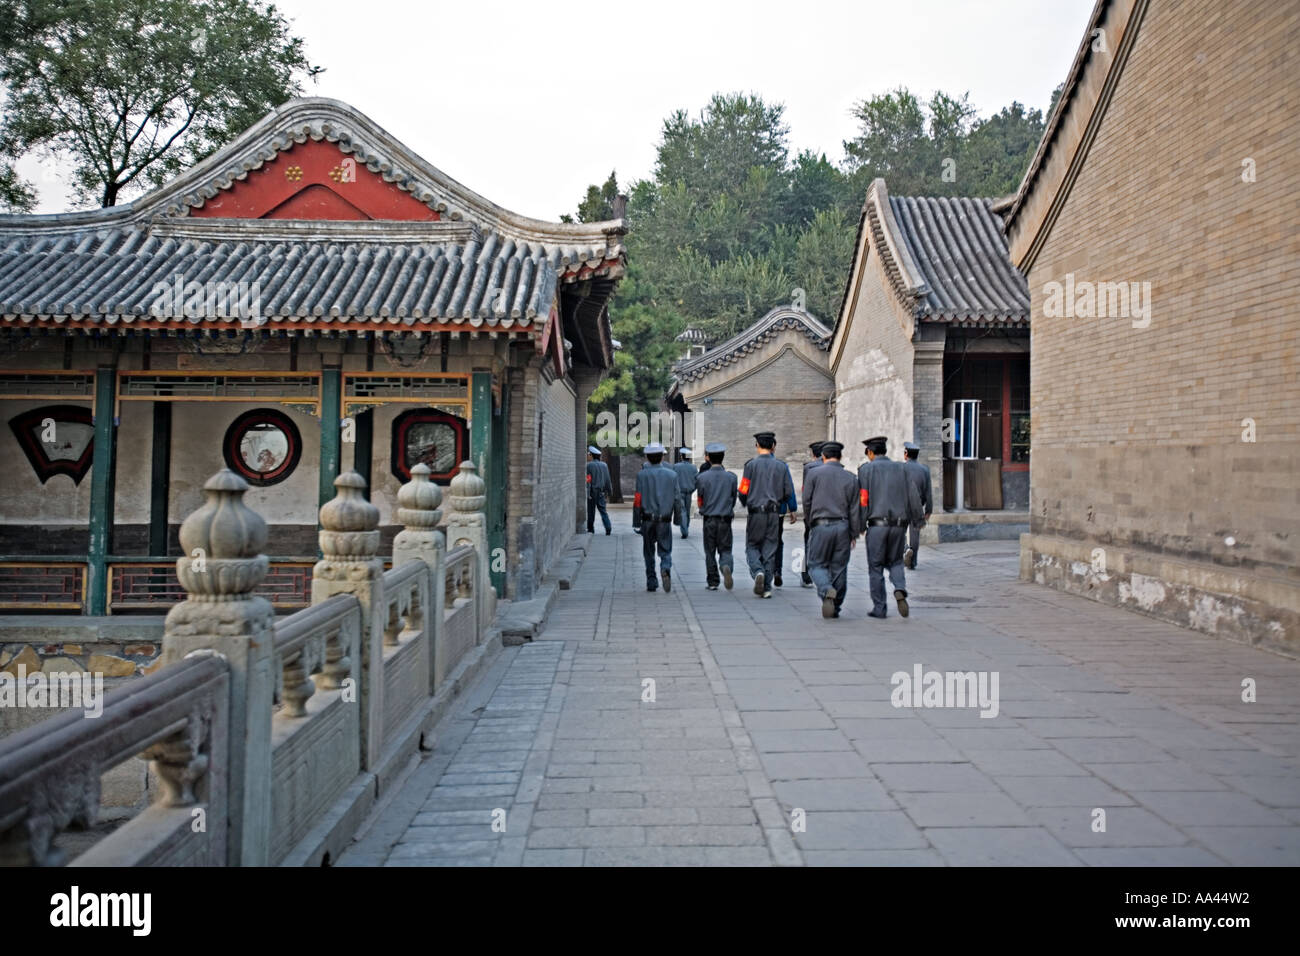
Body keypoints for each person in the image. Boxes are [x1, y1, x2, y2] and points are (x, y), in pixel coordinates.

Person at [857, 436, 924, 618]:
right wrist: (918, 521)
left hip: (877, 525)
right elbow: (913, 496)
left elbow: (863, 500)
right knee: (895, 562)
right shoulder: (902, 469)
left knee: (876, 566)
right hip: (899, 526)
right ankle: (900, 588)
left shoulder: (865, 470)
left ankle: (880, 607)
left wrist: (860, 524)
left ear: (870, 453)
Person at [802, 441, 863, 618]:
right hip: (843, 527)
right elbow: (854, 509)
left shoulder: (813, 474)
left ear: (823, 456)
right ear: (840, 456)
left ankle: (826, 588)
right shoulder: (851, 478)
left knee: (815, 564)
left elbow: (807, 501)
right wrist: (853, 533)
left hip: (820, 525)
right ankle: (835, 606)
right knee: (839, 567)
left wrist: (810, 522)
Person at [740, 431, 795, 598]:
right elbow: (788, 492)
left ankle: (758, 571)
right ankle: (766, 587)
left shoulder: (750, 466)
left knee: (752, 545)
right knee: (770, 548)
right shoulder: (781, 466)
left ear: (757, 446)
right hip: (773, 513)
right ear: (773, 446)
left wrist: (746, 502)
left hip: (756, 513)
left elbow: (743, 490)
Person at [633, 442, 681, 592]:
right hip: (664, 520)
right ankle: (665, 568)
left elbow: (637, 499)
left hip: (647, 519)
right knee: (665, 550)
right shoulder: (672, 475)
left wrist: (636, 520)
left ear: (647, 457)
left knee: (648, 552)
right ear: (662, 457)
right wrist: (677, 519)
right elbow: (677, 499)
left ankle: (651, 581)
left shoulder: (641, 475)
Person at [694, 442, 738, 590]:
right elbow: (733, 498)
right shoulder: (731, 478)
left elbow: (700, 499)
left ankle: (713, 581)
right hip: (725, 519)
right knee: (725, 549)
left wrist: (703, 508)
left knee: (710, 551)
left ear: (709, 458)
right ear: (723, 457)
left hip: (709, 519)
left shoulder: (702, 478)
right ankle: (726, 566)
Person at [902, 441, 933, 569]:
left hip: (902, 505)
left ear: (906, 454)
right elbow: (928, 492)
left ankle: (905, 550)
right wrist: (928, 510)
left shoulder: (900, 468)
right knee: (915, 533)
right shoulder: (924, 469)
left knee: (899, 532)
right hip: (918, 506)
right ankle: (913, 561)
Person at [800, 440, 826, 587]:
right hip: (830, 513)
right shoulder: (834, 467)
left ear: (812, 454)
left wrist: (807, 515)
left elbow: (806, 494)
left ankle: (806, 576)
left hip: (813, 512)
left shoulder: (809, 468)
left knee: (808, 544)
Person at [585, 445, 613, 536]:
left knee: (591, 511)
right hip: (601, 492)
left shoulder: (588, 466)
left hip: (592, 492)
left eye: (589, 454)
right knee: (603, 511)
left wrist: (588, 493)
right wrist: (610, 491)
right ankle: (608, 528)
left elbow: (588, 480)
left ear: (592, 455)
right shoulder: (604, 465)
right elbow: (608, 480)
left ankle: (591, 529)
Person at [672, 448, 698, 539]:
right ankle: (685, 528)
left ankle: (685, 530)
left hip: (679, 493)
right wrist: (692, 489)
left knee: (683, 512)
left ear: (681, 456)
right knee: (686, 512)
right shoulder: (693, 467)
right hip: (689, 493)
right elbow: (696, 481)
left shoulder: (676, 466)